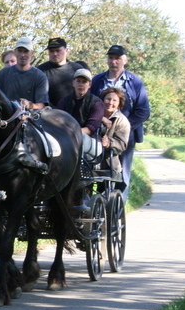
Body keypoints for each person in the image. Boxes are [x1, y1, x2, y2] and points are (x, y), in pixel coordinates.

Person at [89, 45, 150, 201]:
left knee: (122, 176)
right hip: (99, 137)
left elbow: (143, 111)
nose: (113, 61)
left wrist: (122, 126)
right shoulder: (97, 80)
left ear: (125, 60)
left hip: (125, 137)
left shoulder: (134, 82)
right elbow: (89, 104)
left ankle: (117, 212)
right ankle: (99, 211)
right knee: (98, 174)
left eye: (117, 58)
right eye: (111, 58)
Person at [57, 68, 104, 161]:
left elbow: (91, 128)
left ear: (89, 84)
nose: (81, 84)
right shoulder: (64, 102)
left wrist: (71, 133)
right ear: (73, 83)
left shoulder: (97, 103)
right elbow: (58, 122)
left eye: (84, 82)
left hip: (92, 141)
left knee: (80, 138)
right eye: (78, 81)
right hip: (66, 139)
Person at [0, 37, 49, 110]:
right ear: (15, 52)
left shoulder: (39, 76)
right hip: (6, 118)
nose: (22, 55)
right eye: (20, 51)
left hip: (30, 118)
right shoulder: (3, 74)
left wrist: (30, 105)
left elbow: (42, 105)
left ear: (32, 53)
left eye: (26, 51)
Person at [37, 37, 90, 107]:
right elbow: (39, 97)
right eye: (52, 51)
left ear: (66, 51)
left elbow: (87, 93)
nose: (55, 54)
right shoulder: (40, 71)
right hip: (49, 113)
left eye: (58, 50)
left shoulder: (77, 69)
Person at [99, 87, 131, 175]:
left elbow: (122, 144)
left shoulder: (122, 121)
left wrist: (108, 142)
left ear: (119, 104)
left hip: (108, 162)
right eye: (108, 99)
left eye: (114, 100)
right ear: (102, 100)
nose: (110, 103)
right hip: (89, 159)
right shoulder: (94, 114)